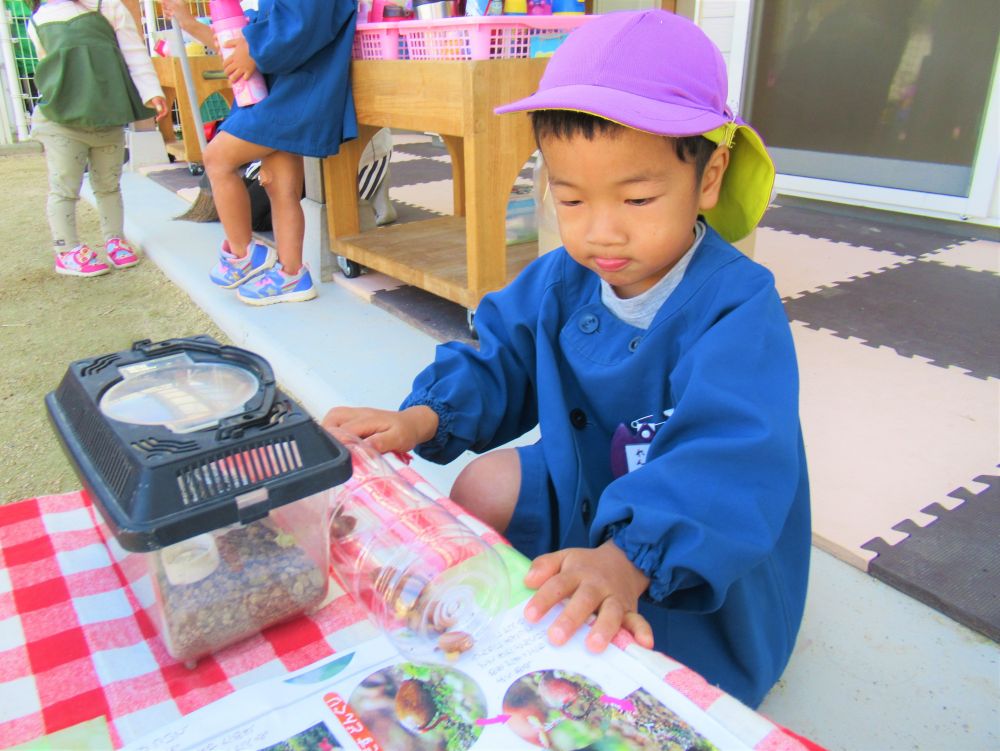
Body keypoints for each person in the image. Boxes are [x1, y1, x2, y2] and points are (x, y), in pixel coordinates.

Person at [324, 10, 810, 708]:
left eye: (637, 197)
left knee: (650, 682)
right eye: (571, 197)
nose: (601, 230)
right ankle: (514, 620)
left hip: (692, 536)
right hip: (590, 478)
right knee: (482, 484)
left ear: (708, 178)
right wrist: (422, 418)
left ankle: (616, 582)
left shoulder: (738, 307)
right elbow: (498, 357)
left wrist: (628, 559)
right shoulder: (559, 281)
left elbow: (730, 457)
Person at [162, 0, 357, 305]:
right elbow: (239, 33)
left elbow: (302, 24)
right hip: (283, 89)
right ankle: (292, 274)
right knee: (278, 184)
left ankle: (242, 254)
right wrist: (190, 24)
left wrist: (253, 49)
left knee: (217, 158)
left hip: (295, 93)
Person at [28, 0, 168, 277]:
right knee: (64, 186)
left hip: (107, 116)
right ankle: (66, 250)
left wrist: (152, 91)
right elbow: (50, 67)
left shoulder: (109, 7)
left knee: (108, 184)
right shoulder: (39, 18)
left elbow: (134, 54)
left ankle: (115, 239)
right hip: (61, 120)